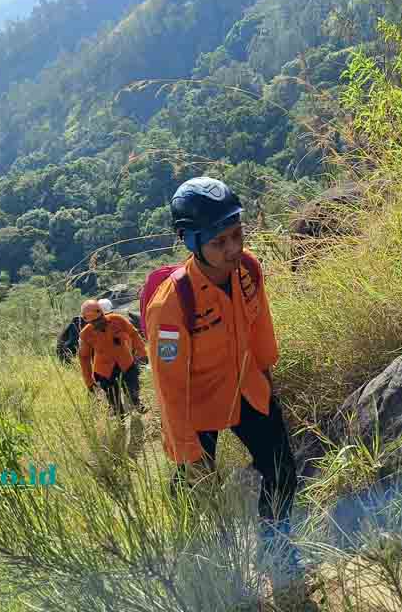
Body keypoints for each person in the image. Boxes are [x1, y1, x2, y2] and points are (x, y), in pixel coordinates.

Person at [143, 176, 303, 594]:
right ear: (191, 241)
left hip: (247, 387)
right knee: (197, 498)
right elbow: (169, 386)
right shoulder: (171, 304)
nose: (233, 248)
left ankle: (277, 552)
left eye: (237, 234)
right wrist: (188, 451)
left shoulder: (247, 269)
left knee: (282, 473)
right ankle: (207, 575)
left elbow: (260, 325)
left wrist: (266, 375)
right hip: (196, 407)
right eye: (219, 242)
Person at [78, 298, 147, 416]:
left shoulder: (118, 320)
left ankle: (136, 402)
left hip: (126, 363)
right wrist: (89, 382)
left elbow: (133, 334)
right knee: (114, 400)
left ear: (102, 314)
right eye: (93, 322)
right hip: (104, 370)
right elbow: (84, 358)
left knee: (133, 388)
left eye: (98, 320)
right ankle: (119, 416)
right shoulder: (85, 334)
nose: (97, 324)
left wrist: (142, 353)